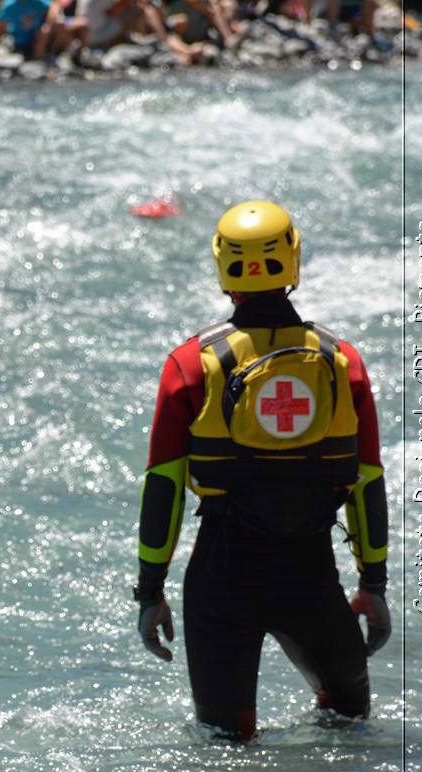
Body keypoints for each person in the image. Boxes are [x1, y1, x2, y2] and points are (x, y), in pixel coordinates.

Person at [135, 200, 390, 742]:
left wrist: (149, 592)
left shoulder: (190, 364)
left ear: (223, 267)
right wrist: (374, 583)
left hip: (221, 582)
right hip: (312, 581)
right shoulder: (343, 361)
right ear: (292, 260)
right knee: (350, 731)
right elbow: (367, 479)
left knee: (226, 751)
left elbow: (164, 486)